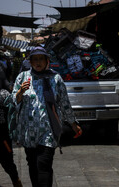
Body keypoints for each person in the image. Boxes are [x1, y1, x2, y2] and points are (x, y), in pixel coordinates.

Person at [11, 46, 82, 187]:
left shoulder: (55, 78)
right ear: (30, 62)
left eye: (41, 59)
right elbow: (13, 101)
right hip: (28, 131)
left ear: (47, 61)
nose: (38, 62)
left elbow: (64, 103)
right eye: (35, 59)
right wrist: (20, 92)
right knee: (32, 165)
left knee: (43, 164)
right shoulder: (23, 77)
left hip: (48, 130)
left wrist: (73, 124)